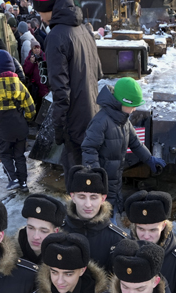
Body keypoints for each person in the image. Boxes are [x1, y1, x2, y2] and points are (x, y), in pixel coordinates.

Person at [33, 0, 102, 172]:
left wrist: (59, 127)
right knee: (92, 174)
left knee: (76, 176)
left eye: (41, 12)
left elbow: (60, 90)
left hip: (74, 119)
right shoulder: (85, 30)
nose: (40, 17)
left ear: (50, 9)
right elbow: (99, 73)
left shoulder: (56, 36)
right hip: (93, 113)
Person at [81, 78, 164, 213]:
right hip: (102, 183)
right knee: (104, 215)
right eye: (133, 105)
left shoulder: (124, 121)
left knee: (114, 208)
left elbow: (135, 143)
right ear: (122, 102)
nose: (134, 109)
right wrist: (96, 175)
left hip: (115, 179)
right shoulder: (101, 122)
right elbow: (89, 149)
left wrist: (149, 159)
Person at [123, 191, 176, 293]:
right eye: (141, 229)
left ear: (164, 225)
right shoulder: (123, 252)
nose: (146, 236)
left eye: (153, 230)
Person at [0, 49, 37, 191]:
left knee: (6, 154)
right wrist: (25, 118)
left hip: (4, 128)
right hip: (20, 126)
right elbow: (31, 108)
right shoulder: (20, 85)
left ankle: (13, 179)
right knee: (20, 156)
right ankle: (24, 183)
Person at [61, 165, 127, 270]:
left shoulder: (117, 239)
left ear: (103, 198)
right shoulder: (59, 230)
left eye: (93, 197)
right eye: (82, 197)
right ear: (73, 197)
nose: (88, 204)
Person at [16, 194, 65, 264]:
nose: (36, 237)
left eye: (44, 231)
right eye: (30, 228)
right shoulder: (12, 252)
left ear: (55, 232)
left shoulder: (64, 260)